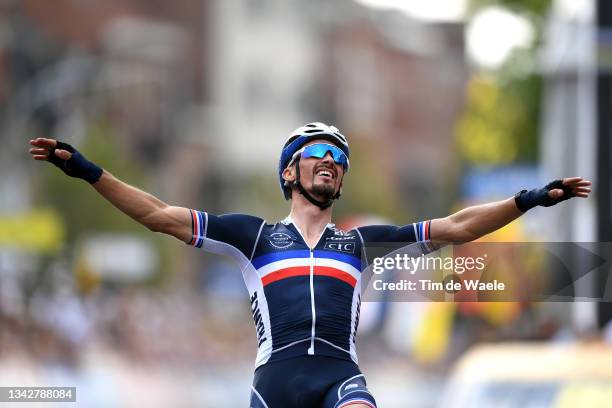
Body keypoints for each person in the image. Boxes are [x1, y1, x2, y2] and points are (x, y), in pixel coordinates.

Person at [29, 122, 591, 408]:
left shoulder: (362, 242)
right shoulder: (252, 237)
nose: (332, 164)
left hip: (339, 378)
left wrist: (528, 198)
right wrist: (89, 171)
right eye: (319, 155)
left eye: (340, 160)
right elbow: (157, 213)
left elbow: (458, 227)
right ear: (289, 174)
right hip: (275, 385)